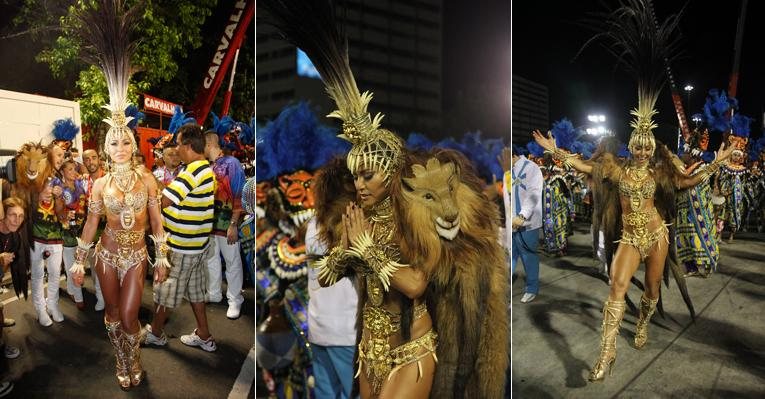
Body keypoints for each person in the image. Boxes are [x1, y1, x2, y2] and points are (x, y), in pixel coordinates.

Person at [70, 1, 171, 389]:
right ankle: (122, 358)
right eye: (114, 143)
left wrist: (162, 256)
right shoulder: (99, 184)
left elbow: (157, 221)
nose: (121, 147)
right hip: (107, 253)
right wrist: (80, 261)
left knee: (130, 314)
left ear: (132, 145)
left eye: (125, 141)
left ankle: (134, 355)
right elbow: (92, 222)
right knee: (112, 312)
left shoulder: (147, 180)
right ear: (107, 148)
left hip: (135, 255)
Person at [144, 123, 217, 352]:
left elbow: (162, 202)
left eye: (177, 143)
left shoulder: (194, 170)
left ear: (187, 145)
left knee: (166, 291)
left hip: (183, 247)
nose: (175, 149)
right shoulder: (197, 168)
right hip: (195, 246)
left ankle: (155, 334)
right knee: (195, 293)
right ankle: (204, 335)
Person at [306, 175, 358, 399]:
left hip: (319, 327)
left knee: (325, 394)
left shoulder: (313, 223)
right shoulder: (354, 225)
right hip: (347, 332)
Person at [203, 130, 246, 319]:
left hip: (227, 223)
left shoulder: (232, 164)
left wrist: (234, 224)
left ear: (209, 144)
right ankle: (214, 293)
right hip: (209, 225)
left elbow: (240, 195)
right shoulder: (206, 166)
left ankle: (235, 299)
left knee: (232, 262)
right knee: (211, 260)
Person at [29, 142, 66, 326]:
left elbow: (61, 215)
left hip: (54, 234)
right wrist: (38, 195)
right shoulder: (34, 176)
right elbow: (23, 200)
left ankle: (52, 304)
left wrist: (59, 197)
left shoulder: (59, 179)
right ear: (49, 155)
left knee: (54, 272)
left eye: (63, 155)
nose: (62, 158)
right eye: (58, 154)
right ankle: (40, 309)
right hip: (35, 232)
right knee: (36, 274)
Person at [506, 145, 543, 303]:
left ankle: (532, 288)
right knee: (509, 256)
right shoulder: (508, 172)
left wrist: (522, 215)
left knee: (529, 256)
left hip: (527, 223)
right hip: (511, 223)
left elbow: (534, 193)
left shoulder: (532, 168)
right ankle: (504, 288)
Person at [60, 159, 88, 310]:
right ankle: (78, 297)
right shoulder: (59, 188)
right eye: (69, 169)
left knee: (78, 262)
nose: (73, 172)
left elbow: (85, 204)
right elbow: (56, 210)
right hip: (66, 231)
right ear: (62, 171)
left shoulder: (79, 185)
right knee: (72, 264)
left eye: (74, 169)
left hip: (81, 229)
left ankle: (71, 290)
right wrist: (65, 214)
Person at [0, 197, 26, 361]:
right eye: (12, 215)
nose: (17, 220)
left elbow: (4, 267)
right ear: (3, 215)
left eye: (21, 216)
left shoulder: (15, 239)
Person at [81, 149, 106, 311]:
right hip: (91, 228)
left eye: (93, 158)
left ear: (99, 159)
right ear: (84, 163)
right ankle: (100, 296)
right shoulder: (82, 182)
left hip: (111, 229)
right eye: (87, 160)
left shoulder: (109, 178)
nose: (91, 162)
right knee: (95, 266)